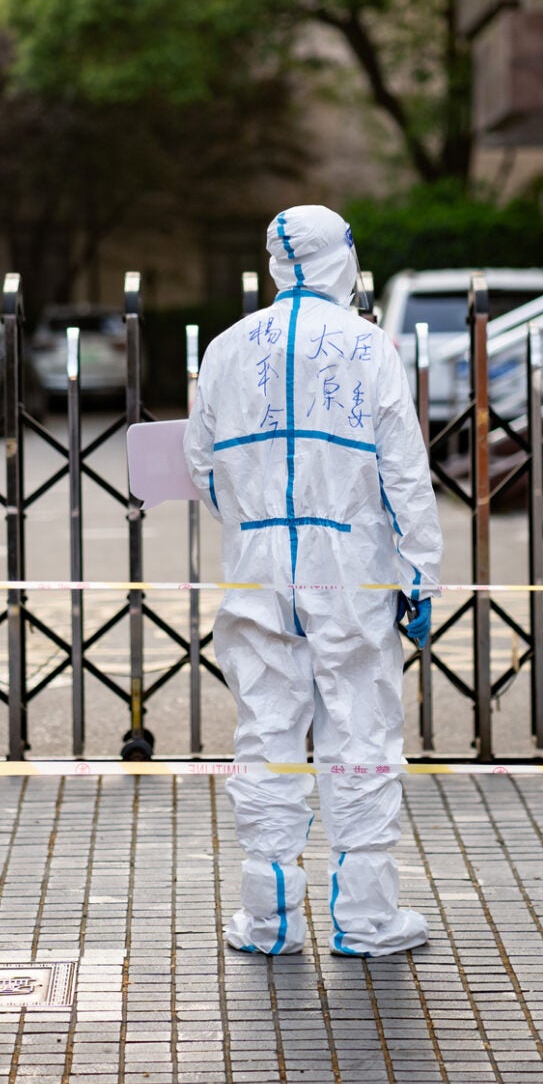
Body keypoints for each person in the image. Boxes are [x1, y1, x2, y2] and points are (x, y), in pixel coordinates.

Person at [186, 203, 442, 957]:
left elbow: (203, 470)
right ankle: (365, 918)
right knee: (360, 730)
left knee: (267, 731)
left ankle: (268, 920)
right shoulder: (368, 345)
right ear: (345, 257)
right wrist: (420, 572)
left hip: (258, 568)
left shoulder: (228, 350)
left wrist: (256, 517)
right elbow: (404, 470)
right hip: (351, 569)